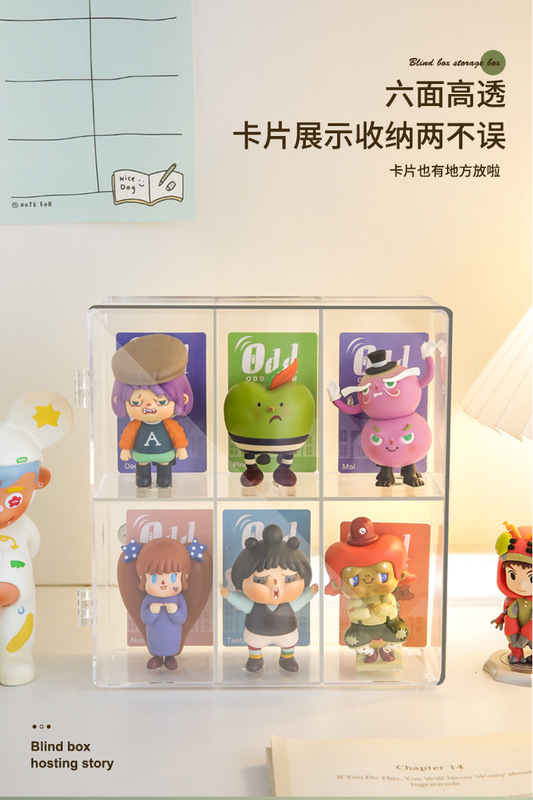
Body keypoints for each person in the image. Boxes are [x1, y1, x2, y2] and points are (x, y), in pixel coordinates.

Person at [221, 524, 318, 673]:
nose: (276, 586)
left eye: (289, 579)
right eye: (260, 580)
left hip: (286, 631)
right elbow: (243, 602)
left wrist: (310, 592)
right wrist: (229, 595)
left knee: (288, 643)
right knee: (254, 643)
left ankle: (287, 657)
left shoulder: (288, 605)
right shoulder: (254, 605)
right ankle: (255, 658)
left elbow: (299, 602)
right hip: (257, 631)